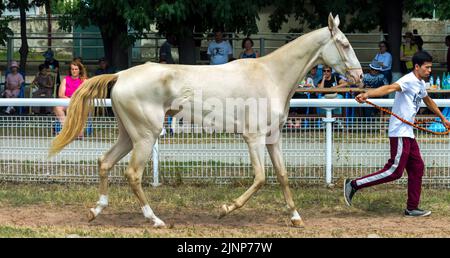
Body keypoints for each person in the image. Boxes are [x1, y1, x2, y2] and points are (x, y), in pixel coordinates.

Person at [344, 51, 450, 217]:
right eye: (427, 67)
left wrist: (443, 118)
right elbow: (389, 88)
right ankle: (354, 184)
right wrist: (367, 94)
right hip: (400, 131)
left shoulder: (420, 83)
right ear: (417, 67)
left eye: (430, 67)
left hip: (408, 133)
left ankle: (412, 208)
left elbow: (427, 100)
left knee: (417, 168)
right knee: (394, 171)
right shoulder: (408, 80)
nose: (430, 70)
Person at [54, 61, 87, 127]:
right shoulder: (65, 80)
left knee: (80, 135)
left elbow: (85, 94)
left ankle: (76, 129)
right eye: (72, 69)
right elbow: (61, 95)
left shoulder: (84, 80)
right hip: (67, 101)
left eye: (76, 69)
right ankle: (66, 127)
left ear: (79, 70)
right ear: (70, 70)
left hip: (79, 102)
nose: (74, 71)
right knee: (57, 108)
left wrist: (75, 100)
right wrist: (70, 100)